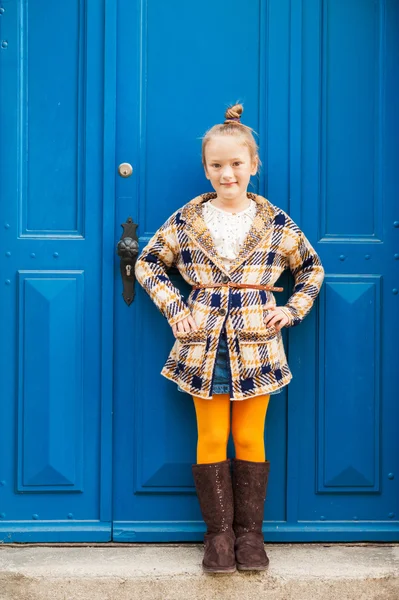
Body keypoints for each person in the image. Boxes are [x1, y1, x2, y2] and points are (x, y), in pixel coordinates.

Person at [135, 104, 324, 574]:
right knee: (212, 434)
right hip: (202, 344)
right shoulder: (188, 219)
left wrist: (292, 308)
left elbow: (312, 269)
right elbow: (148, 262)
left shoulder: (275, 222)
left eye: (236, 164)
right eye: (216, 165)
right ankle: (218, 536)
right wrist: (175, 306)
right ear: (205, 168)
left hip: (257, 341)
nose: (227, 173)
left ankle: (250, 536)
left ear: (253, 165)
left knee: (249, 434)